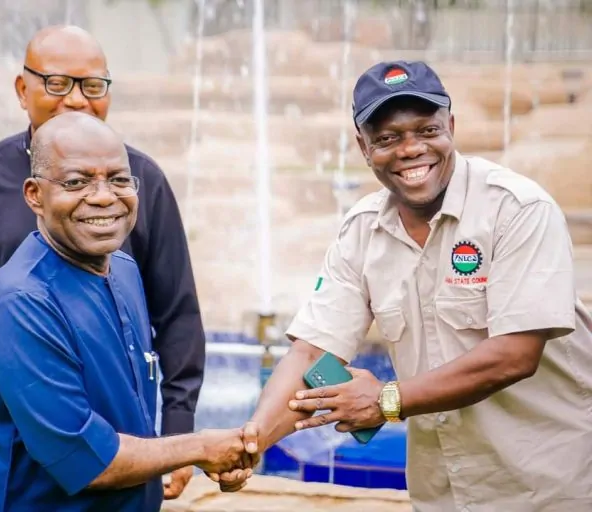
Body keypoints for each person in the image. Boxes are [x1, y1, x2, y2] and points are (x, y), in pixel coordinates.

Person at [217, 61, 592, 510]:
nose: (411, 149)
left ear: (451, 127)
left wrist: (386, 399)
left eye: (427, 130)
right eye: (387, 138)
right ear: (364, 147)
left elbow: (514, 355)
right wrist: (251, 442)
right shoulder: (362, 230)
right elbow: (312, 353)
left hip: (549, 488)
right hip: (443, 494)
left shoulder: (517, 210)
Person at [0, 25, 205, 498]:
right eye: (57, 83)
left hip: (117, 448)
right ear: (22, 89)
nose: (75, 99)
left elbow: (176, 312)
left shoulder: (141, 182)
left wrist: (177, 427)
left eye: (92, 85)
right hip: (22, 446)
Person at [0, 112, 249, 511]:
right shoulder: (21, 302)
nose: (104, 196)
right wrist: (201, 448)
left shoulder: (122, 269)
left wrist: (203, 452)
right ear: (34, 195)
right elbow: (88, 462)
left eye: (119, 179)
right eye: (76, 182)